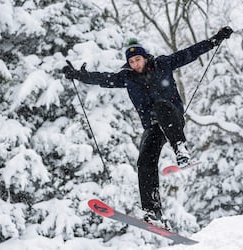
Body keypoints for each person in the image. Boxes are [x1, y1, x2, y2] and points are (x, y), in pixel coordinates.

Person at [63, 27, 233, 225]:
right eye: (132, 61)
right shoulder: (126, 77)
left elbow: (190, 53)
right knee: (144, 161)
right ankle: (153, 212)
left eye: (138, 59)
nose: (135, 64)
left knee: (160, 105)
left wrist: (214, 40)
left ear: (145, 57)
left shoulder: (163, 64)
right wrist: (78, 75)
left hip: (172, 117)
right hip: (153, 127)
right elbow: (103, 78)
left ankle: (181, 149)